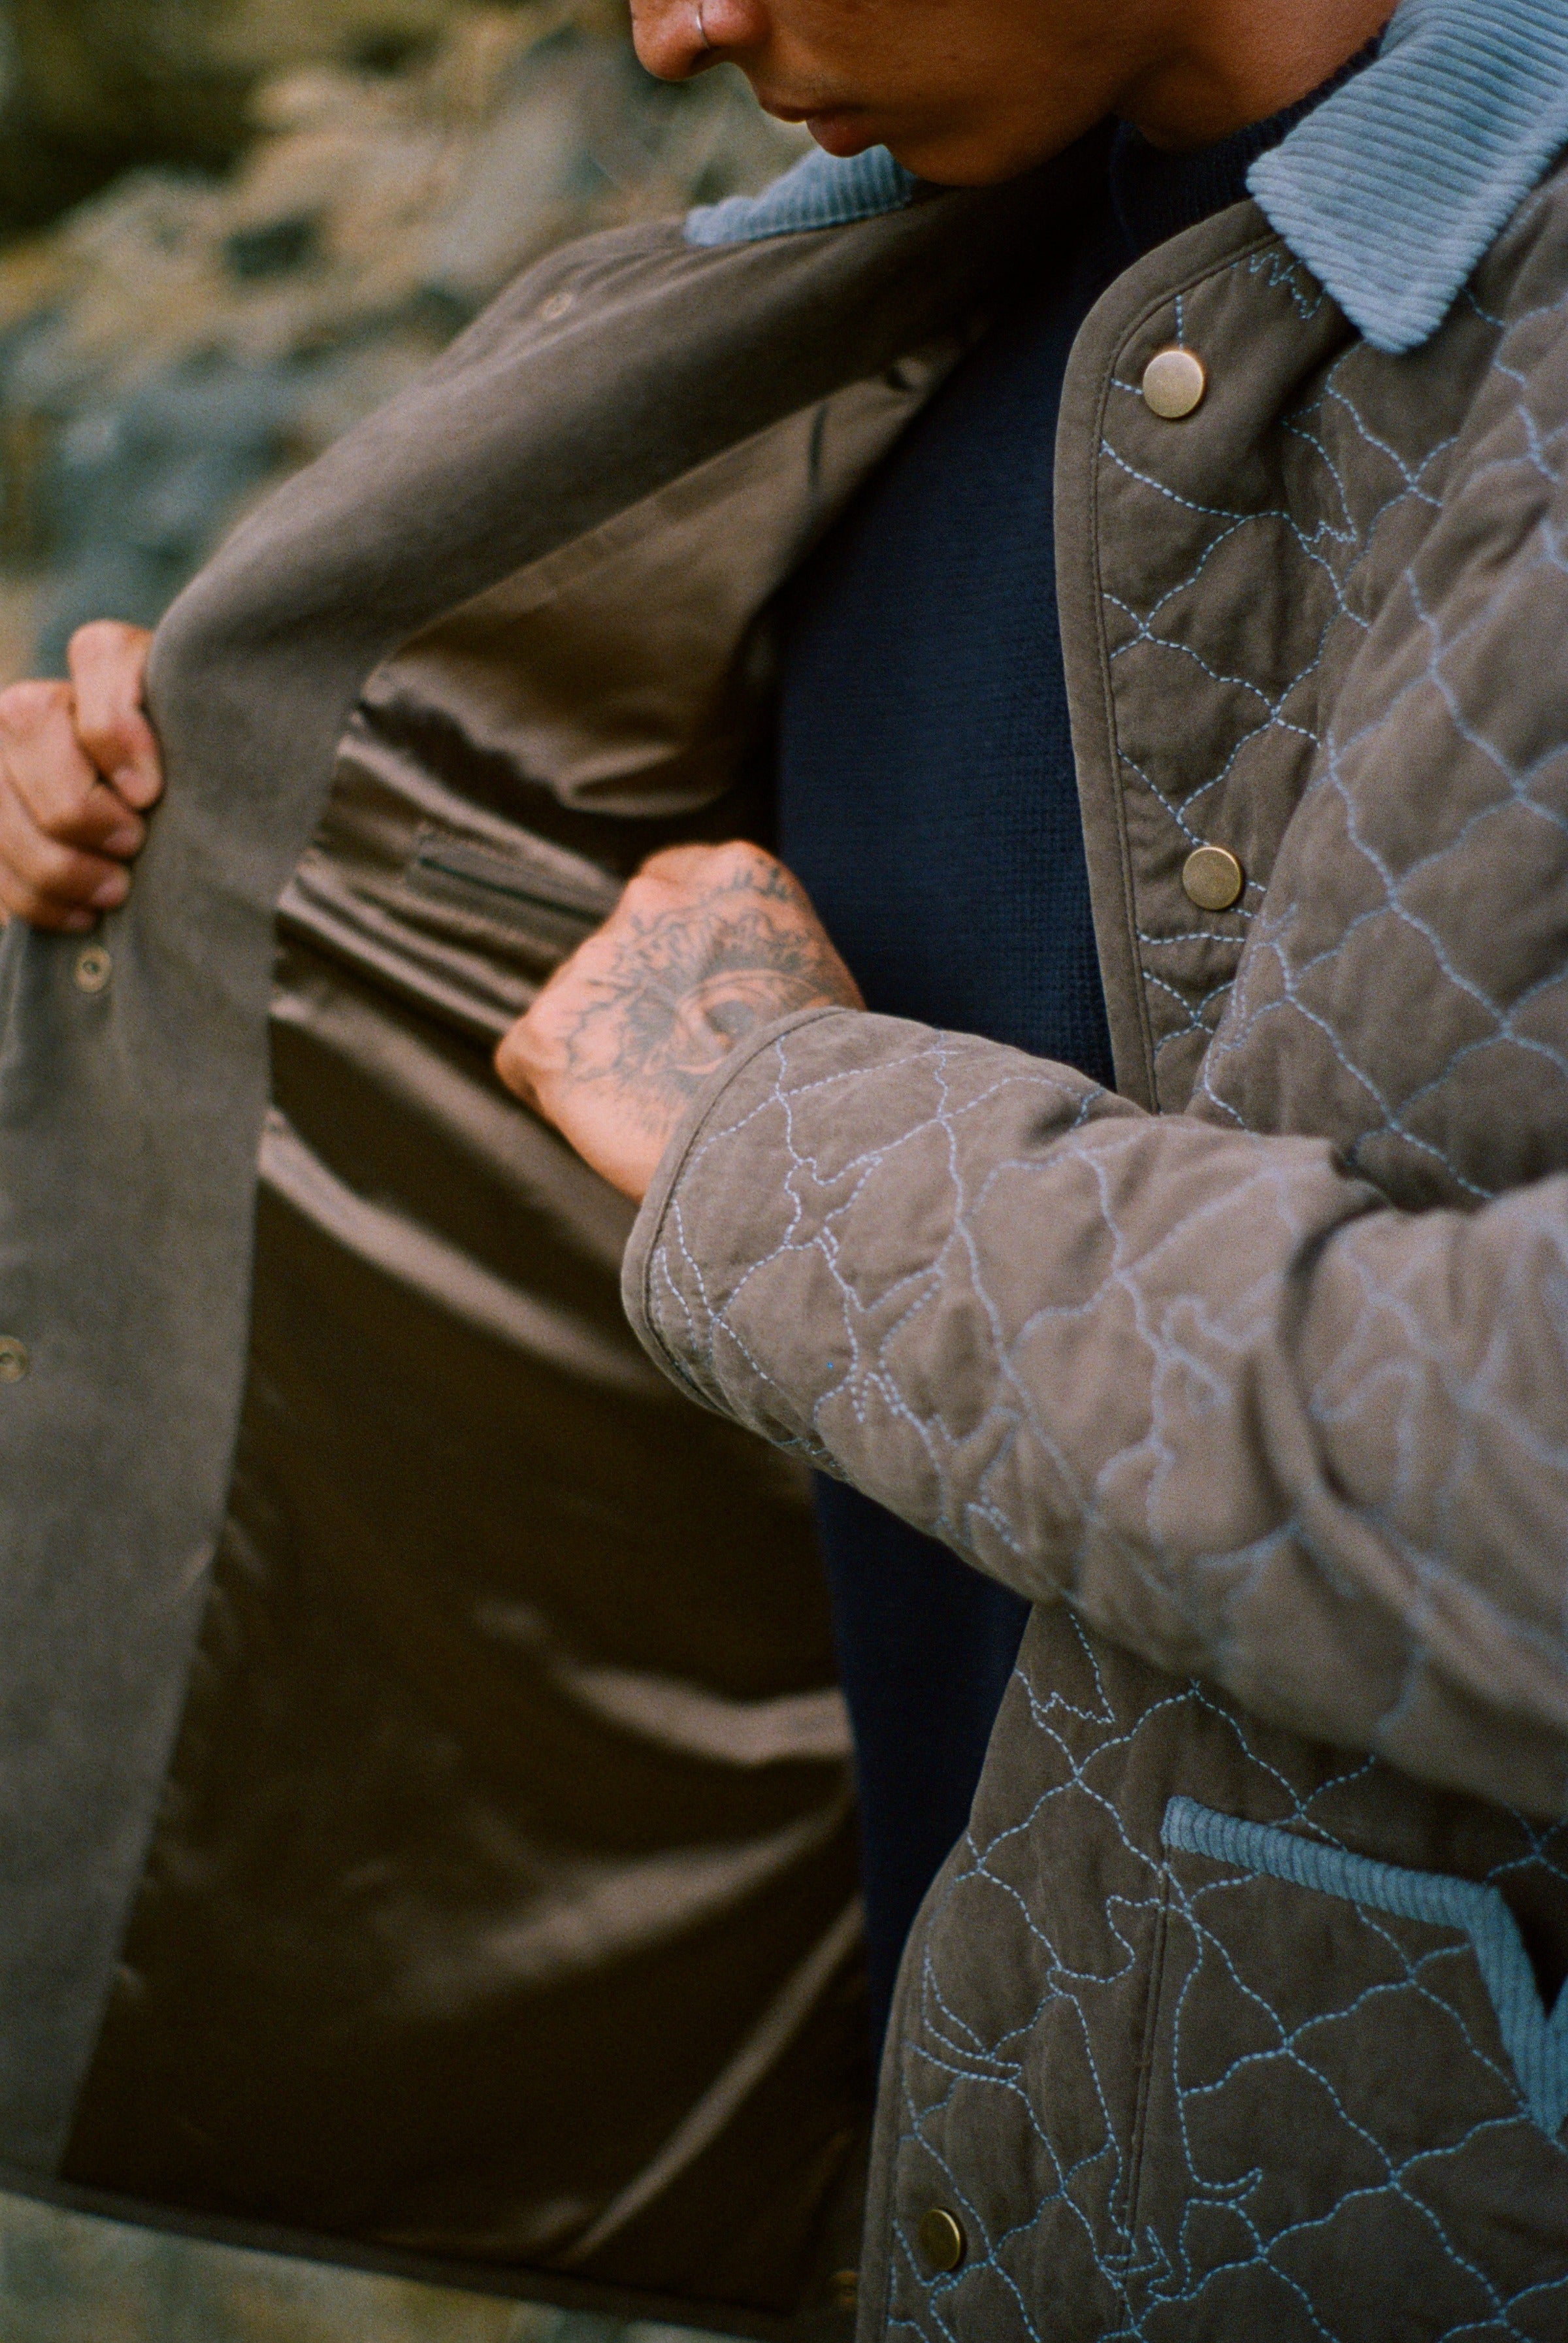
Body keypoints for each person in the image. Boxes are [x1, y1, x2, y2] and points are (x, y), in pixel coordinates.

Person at [5, 1, 1568, 2337]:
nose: (672, 30)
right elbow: (627, 978)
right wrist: (217, 830)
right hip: (950, 2174)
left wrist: (773, 1132)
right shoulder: (870, 304)